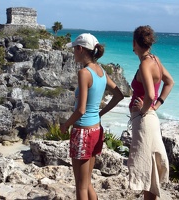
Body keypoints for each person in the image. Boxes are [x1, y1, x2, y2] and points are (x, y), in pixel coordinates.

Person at [60, 33, 124, 200]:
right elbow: (119, 95)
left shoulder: (84, 73)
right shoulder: (101, 70)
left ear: (80, 49)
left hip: (82, 132)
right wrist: (100, 113)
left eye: (74, 49)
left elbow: (80, 110)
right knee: (87, 182)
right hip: (96, 130)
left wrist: (66, 125)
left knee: (80, 186)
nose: (73, 52)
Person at [128, 25, 174, 200]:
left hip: (144, 120)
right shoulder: (155, 60)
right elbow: (170, 82)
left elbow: (150, 94)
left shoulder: (145, 65)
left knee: (147, 169)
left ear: (135, 43)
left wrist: (144, 110)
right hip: (151, 118)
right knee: (151, 169)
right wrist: (157, 105)